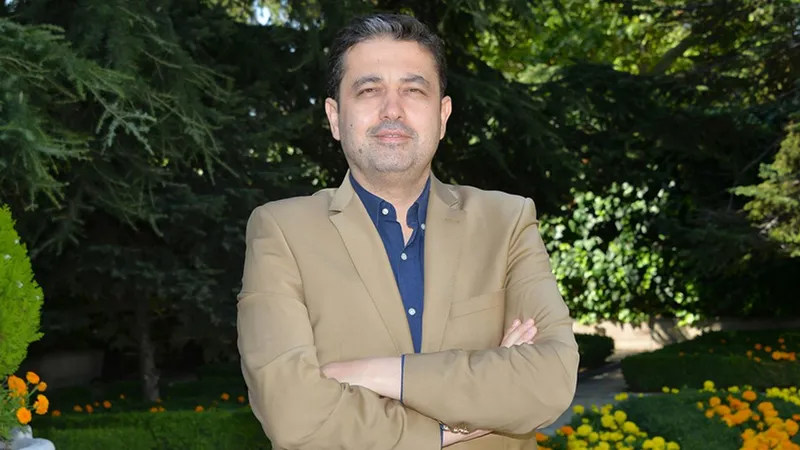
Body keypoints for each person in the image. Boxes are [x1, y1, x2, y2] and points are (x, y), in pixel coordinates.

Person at [236, 12, 579, 450]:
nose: (392, 109)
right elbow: (293, 414)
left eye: (414, 90)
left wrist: (381, 373)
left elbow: (550, 381)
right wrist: (450, 427)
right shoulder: (281, 232)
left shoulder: (507, 222)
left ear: (443, 115)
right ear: (335, 117)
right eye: (369, 90)